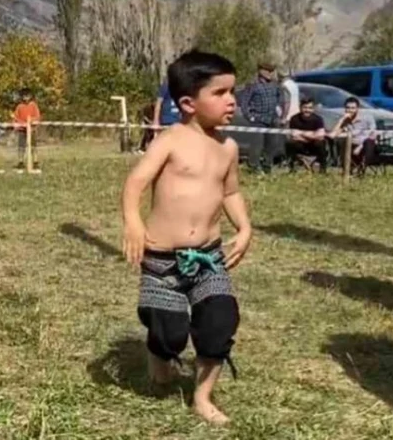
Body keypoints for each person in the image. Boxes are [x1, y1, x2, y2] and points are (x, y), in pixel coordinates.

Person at [121, 49, 252, 425]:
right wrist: (133, 222)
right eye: (221, 93)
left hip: (209, 258)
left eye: (233, 91)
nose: (232, 100)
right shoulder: (170, 139)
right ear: (188, 103)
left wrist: (244, 227)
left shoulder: (228, 147)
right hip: (162, 259)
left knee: (219, 322)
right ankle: (159, 356)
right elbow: (135, 183)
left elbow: (230, 192)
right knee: (169, 333)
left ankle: (202, 397)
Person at [240, 61, 283, 173]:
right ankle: (254, 167)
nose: (269, 73)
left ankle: (267, 165)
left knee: (272, 145)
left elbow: (280, 97)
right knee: (257, 146)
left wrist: (279, 108)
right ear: (260, 71)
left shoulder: (275, 85)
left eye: (271, 71)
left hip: (272, 119)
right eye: (267, 71)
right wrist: (250, 116)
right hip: (258, 119)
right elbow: (244, 102)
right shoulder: (253, 85)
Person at [330, 97, 377, 174]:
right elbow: (332, 135)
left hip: (365, 145)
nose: (350, 110)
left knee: (369, 142)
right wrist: (341, 120)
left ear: (357, 108)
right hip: (351, 145)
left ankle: (362, 167)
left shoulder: (367, 118)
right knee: (343, 142)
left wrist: (360, 147)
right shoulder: (345, 121)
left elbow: (373, 134)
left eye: (353, 108)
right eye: (348, 108)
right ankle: (348, 169)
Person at [285, 97, 328, 172]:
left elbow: (321, 135)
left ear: (313, 109)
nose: (307, 110)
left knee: (320, 143)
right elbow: (294, 136)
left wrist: (301, 133)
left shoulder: (318, 119)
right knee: (290, 143)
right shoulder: (294, 119)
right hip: (301, 144)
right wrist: (313, 135)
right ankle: (291, 167)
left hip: (313, 145)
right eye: (305, 107)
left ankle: (323, 169)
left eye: (310, 108)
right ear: (300, 107)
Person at [11, 89, 41, 170]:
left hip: (32, 129)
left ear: (30, 96)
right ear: (22, 97)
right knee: (21, 146)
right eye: (24, 96)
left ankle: (35, 162)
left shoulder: (33, 105)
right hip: (22, 130)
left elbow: (37, 116)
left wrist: (32, 123)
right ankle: (20, 162)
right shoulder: (19, 107)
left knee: (33, 146)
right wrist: (17, 126)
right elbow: (16, 118)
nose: (26, 98)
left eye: (27, 96)